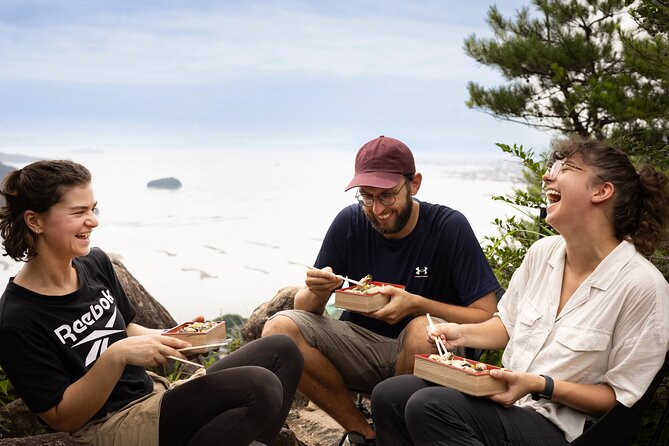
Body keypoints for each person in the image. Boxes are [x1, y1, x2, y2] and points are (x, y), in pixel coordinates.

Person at [370, 136, 669, 445]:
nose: (548, 175)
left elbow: (618, 399)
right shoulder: (542, 253)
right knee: (390, 395)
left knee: (430, 407)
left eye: (565, 168)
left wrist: (539, 384)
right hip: (509, 403)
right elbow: (507, 325)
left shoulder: (642, 286)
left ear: (601, 191)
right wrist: (460, 333)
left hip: (565, 430)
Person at [0, 160, 304, 446]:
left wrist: (178, 337)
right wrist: (115, 356)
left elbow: (126, 328)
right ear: (35, 220)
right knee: (260, 386)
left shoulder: (94, 263)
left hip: (154, 396)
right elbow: (64, 418)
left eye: (93, 209)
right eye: (79, 212)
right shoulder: (18, 316)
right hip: (109, 425)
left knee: (282, 350)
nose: (93, 221)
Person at [262, 136, 501, 444]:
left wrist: (416, 304)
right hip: (363, 347)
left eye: (387, 196)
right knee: (279, 328)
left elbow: (487, 315)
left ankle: (397, 433)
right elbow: (305, 309)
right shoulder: (350, 222)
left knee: (420, 329)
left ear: (414, 184)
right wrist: (318, 289)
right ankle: (364, 433)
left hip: (435, 358)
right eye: (367, 197)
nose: (377, 209)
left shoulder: (448, 227)